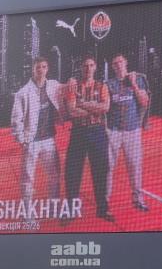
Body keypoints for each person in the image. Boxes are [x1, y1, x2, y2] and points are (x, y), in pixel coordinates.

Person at [64, 55, 113, 222]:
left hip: (97, 131)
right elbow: (71, 111)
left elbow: (105, 107)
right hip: (78, 132)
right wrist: (93, 108)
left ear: (95, 67)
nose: (88, 68)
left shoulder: (101, 86)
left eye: (91, 65)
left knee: (100, 171)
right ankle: (71, 210)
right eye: (85, 65)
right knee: (72, 172)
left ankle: (102, 209)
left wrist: (82, 104)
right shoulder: (73, 86)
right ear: (81, 68)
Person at [11, 57, 64, 209]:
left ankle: (54, 208)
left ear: (47, 69)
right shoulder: (23, 93)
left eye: (44, 67)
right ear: (33, 69)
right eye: (38, 67)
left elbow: (68, 87)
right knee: (28, 179)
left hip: (49, 139)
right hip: (31, 141)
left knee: (54, 175)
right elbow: (16, 119)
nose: (41, 70)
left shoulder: (53, 85)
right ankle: (28, 214)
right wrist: (22, 140)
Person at [106, 53, 150, 211]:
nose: (118, 65)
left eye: (120, 62)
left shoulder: (137, 79)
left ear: (126, 63)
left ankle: (137, 198)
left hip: (132, 130)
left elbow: (144, 101)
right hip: (113, 130)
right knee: (108, 166)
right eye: (115, 63)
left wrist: (134, 84)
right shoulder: (109, 84)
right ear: (112, 67)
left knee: (134, 165)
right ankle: (105, 200)